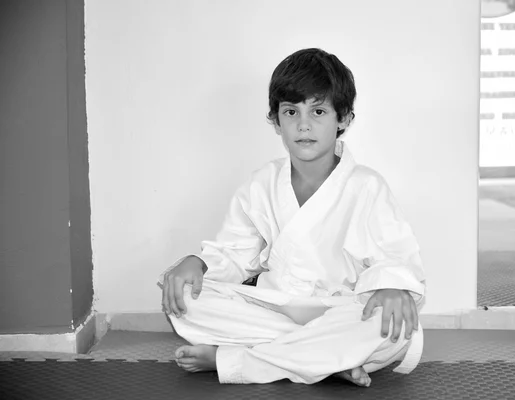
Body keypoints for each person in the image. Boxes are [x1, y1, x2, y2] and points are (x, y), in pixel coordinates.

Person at [158, 48, 426, 387]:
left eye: (318, 111)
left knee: (393, 329)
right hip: (274, 306)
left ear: (343, 119)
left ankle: (239, 360)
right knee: (184, 299)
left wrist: (391, 287)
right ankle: (327, 361)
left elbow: (396, 255)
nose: (303, 125)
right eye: (291, 112)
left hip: (338, 309)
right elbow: (235, 253)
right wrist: (198, 263)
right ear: (275, 120)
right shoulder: (262, 184)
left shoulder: (367, 186)